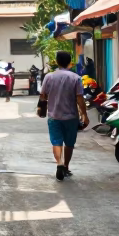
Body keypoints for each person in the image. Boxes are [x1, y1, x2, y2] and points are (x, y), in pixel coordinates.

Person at [40, 49, 89, 181]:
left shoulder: (49, 77)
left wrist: (41, 108)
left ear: (57, 62)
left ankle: (59, 163)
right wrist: (84, 115)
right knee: (69, 143)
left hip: (54, 115)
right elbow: (80, 98)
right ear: (69, 63)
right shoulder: (76, 78)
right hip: (71, 116)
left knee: (56, 141)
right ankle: (66, 166)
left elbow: (43, 95)